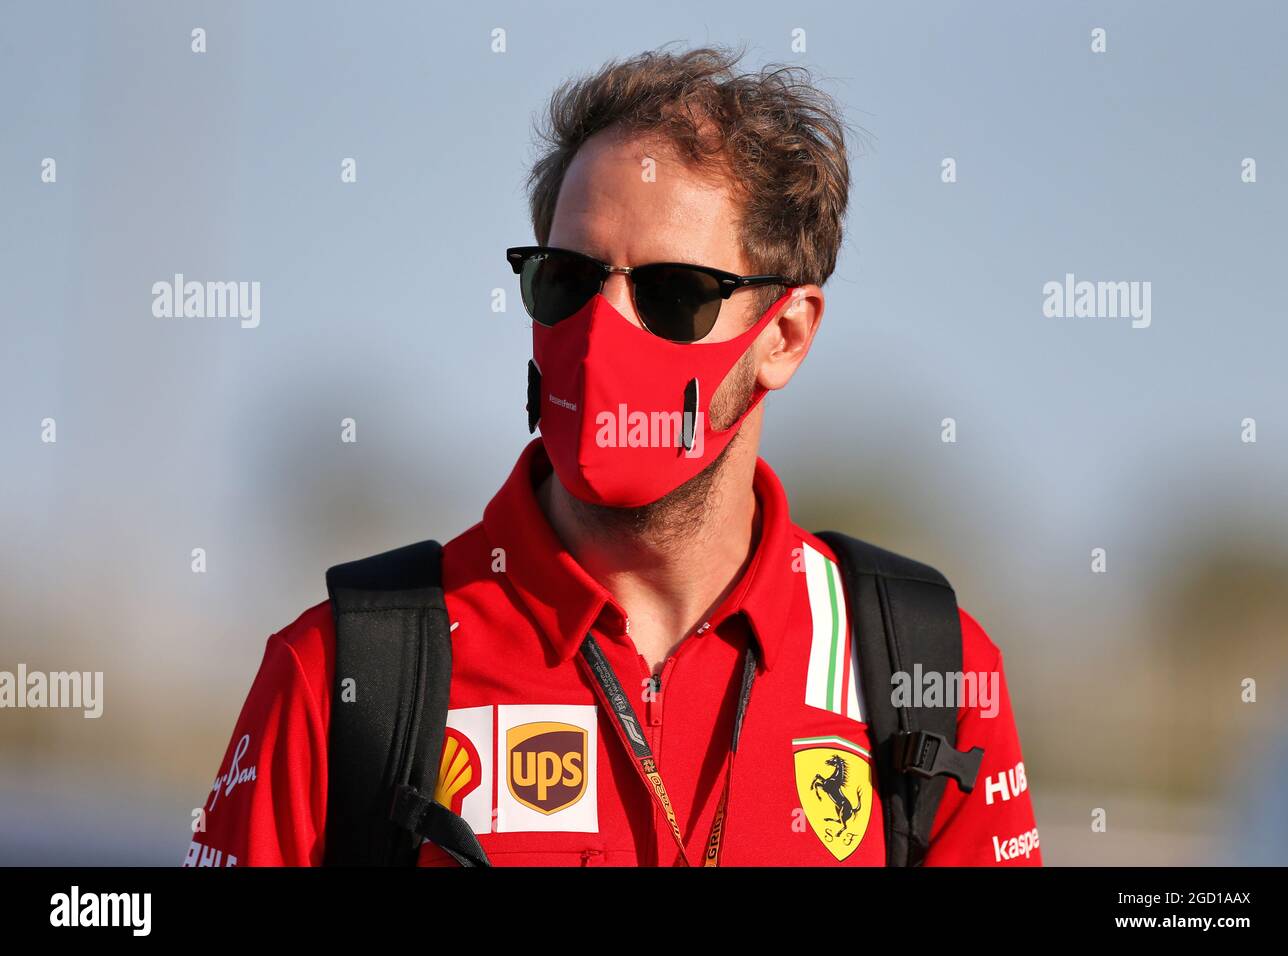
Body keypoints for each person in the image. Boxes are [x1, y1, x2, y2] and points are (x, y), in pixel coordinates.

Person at [185, 46, 1040, 868]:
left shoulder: (928, 669)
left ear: (784, 335)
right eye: (568, 278)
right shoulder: (345, 671)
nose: (604, 333)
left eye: (674, 294)